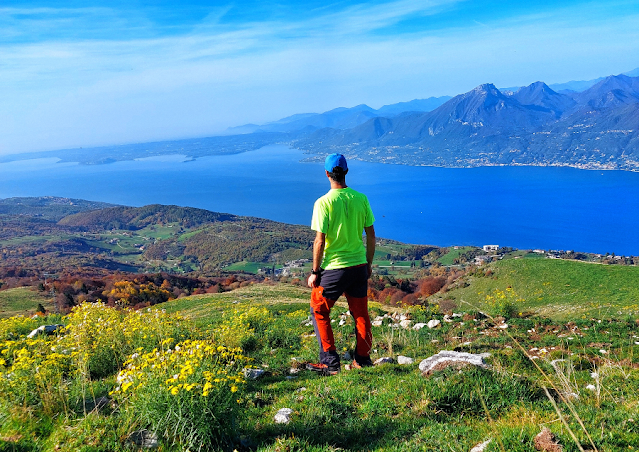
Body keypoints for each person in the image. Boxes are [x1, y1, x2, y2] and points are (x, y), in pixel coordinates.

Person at [306, 153, 376, 375]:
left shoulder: (324, 202)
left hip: (334, 269)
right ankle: (362, 360)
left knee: (318, 310)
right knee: (361, 314)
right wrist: (368, 264)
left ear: (326, 173)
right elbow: (371, 234)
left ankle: (329, 362)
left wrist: (314, 272)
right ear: (346, 171)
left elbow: (320, 241)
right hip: (358, 267)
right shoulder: (361, 198)